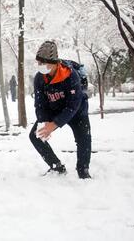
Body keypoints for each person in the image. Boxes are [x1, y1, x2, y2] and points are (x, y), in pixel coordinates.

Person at [29, 40, 92, 179]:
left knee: (84, 139)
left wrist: (55, 124)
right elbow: (40, 103)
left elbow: (73, 106)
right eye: (38, 63)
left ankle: (83, 170)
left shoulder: (71, 75)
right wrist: (43, 122)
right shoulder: (40, 78)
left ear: (54, 63)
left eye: (43, 63)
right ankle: (56, 166)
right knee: (35, 135)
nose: (40, 66)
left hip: (76, 112)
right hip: (54, 109)